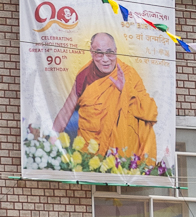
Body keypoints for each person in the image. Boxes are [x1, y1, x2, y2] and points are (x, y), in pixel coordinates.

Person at [52, 32, 158, 162]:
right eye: (99, 54)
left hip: (120, 155)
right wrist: (50, 138)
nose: (105, 59)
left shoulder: (129, 74)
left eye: (109, 53)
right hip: (90, 152)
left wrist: (126, 90)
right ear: (92, 53)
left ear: (116, 51)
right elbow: (65, 112)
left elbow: (150, 111)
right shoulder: (84, 76)